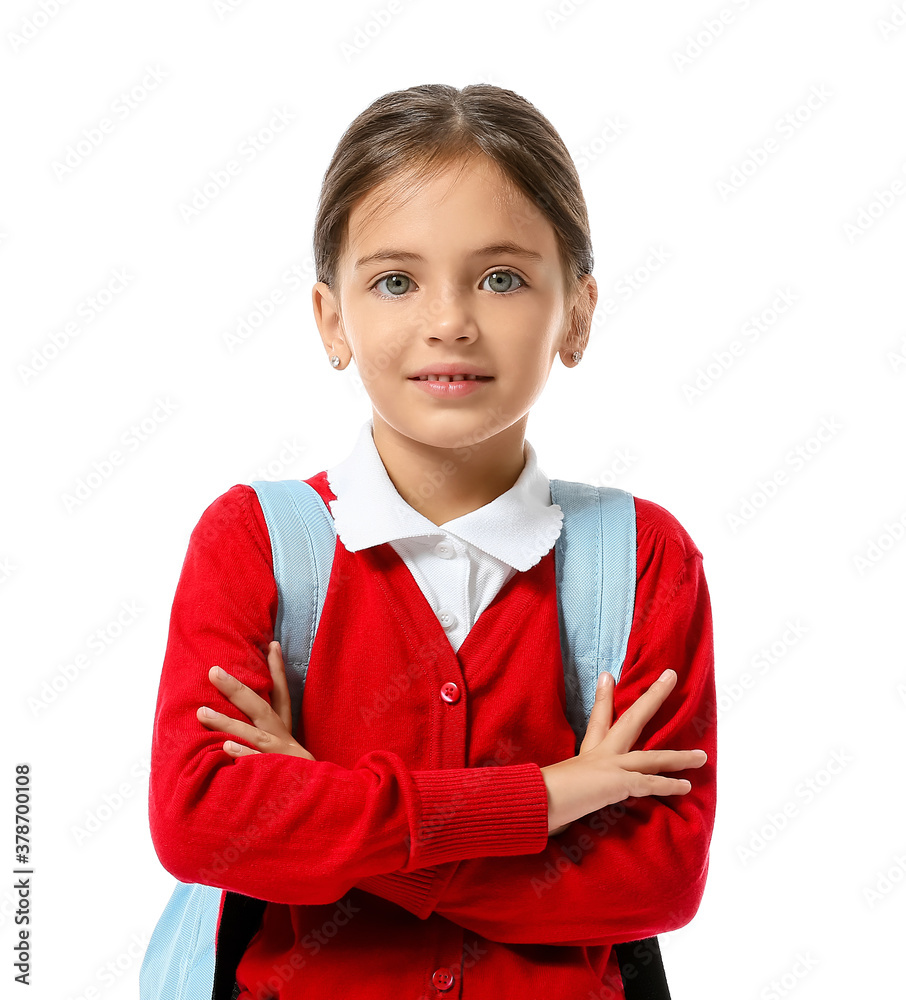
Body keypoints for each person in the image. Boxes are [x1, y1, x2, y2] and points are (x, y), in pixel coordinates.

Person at [148, 82, 716, 1000]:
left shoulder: (644, 558)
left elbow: (656, 879)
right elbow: (203, 824)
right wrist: (550, 798)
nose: (448, 320)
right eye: (395, 280)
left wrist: (328, 813)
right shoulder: (253, 542)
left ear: (576, 312)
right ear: (333, 320)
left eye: (501, 277)